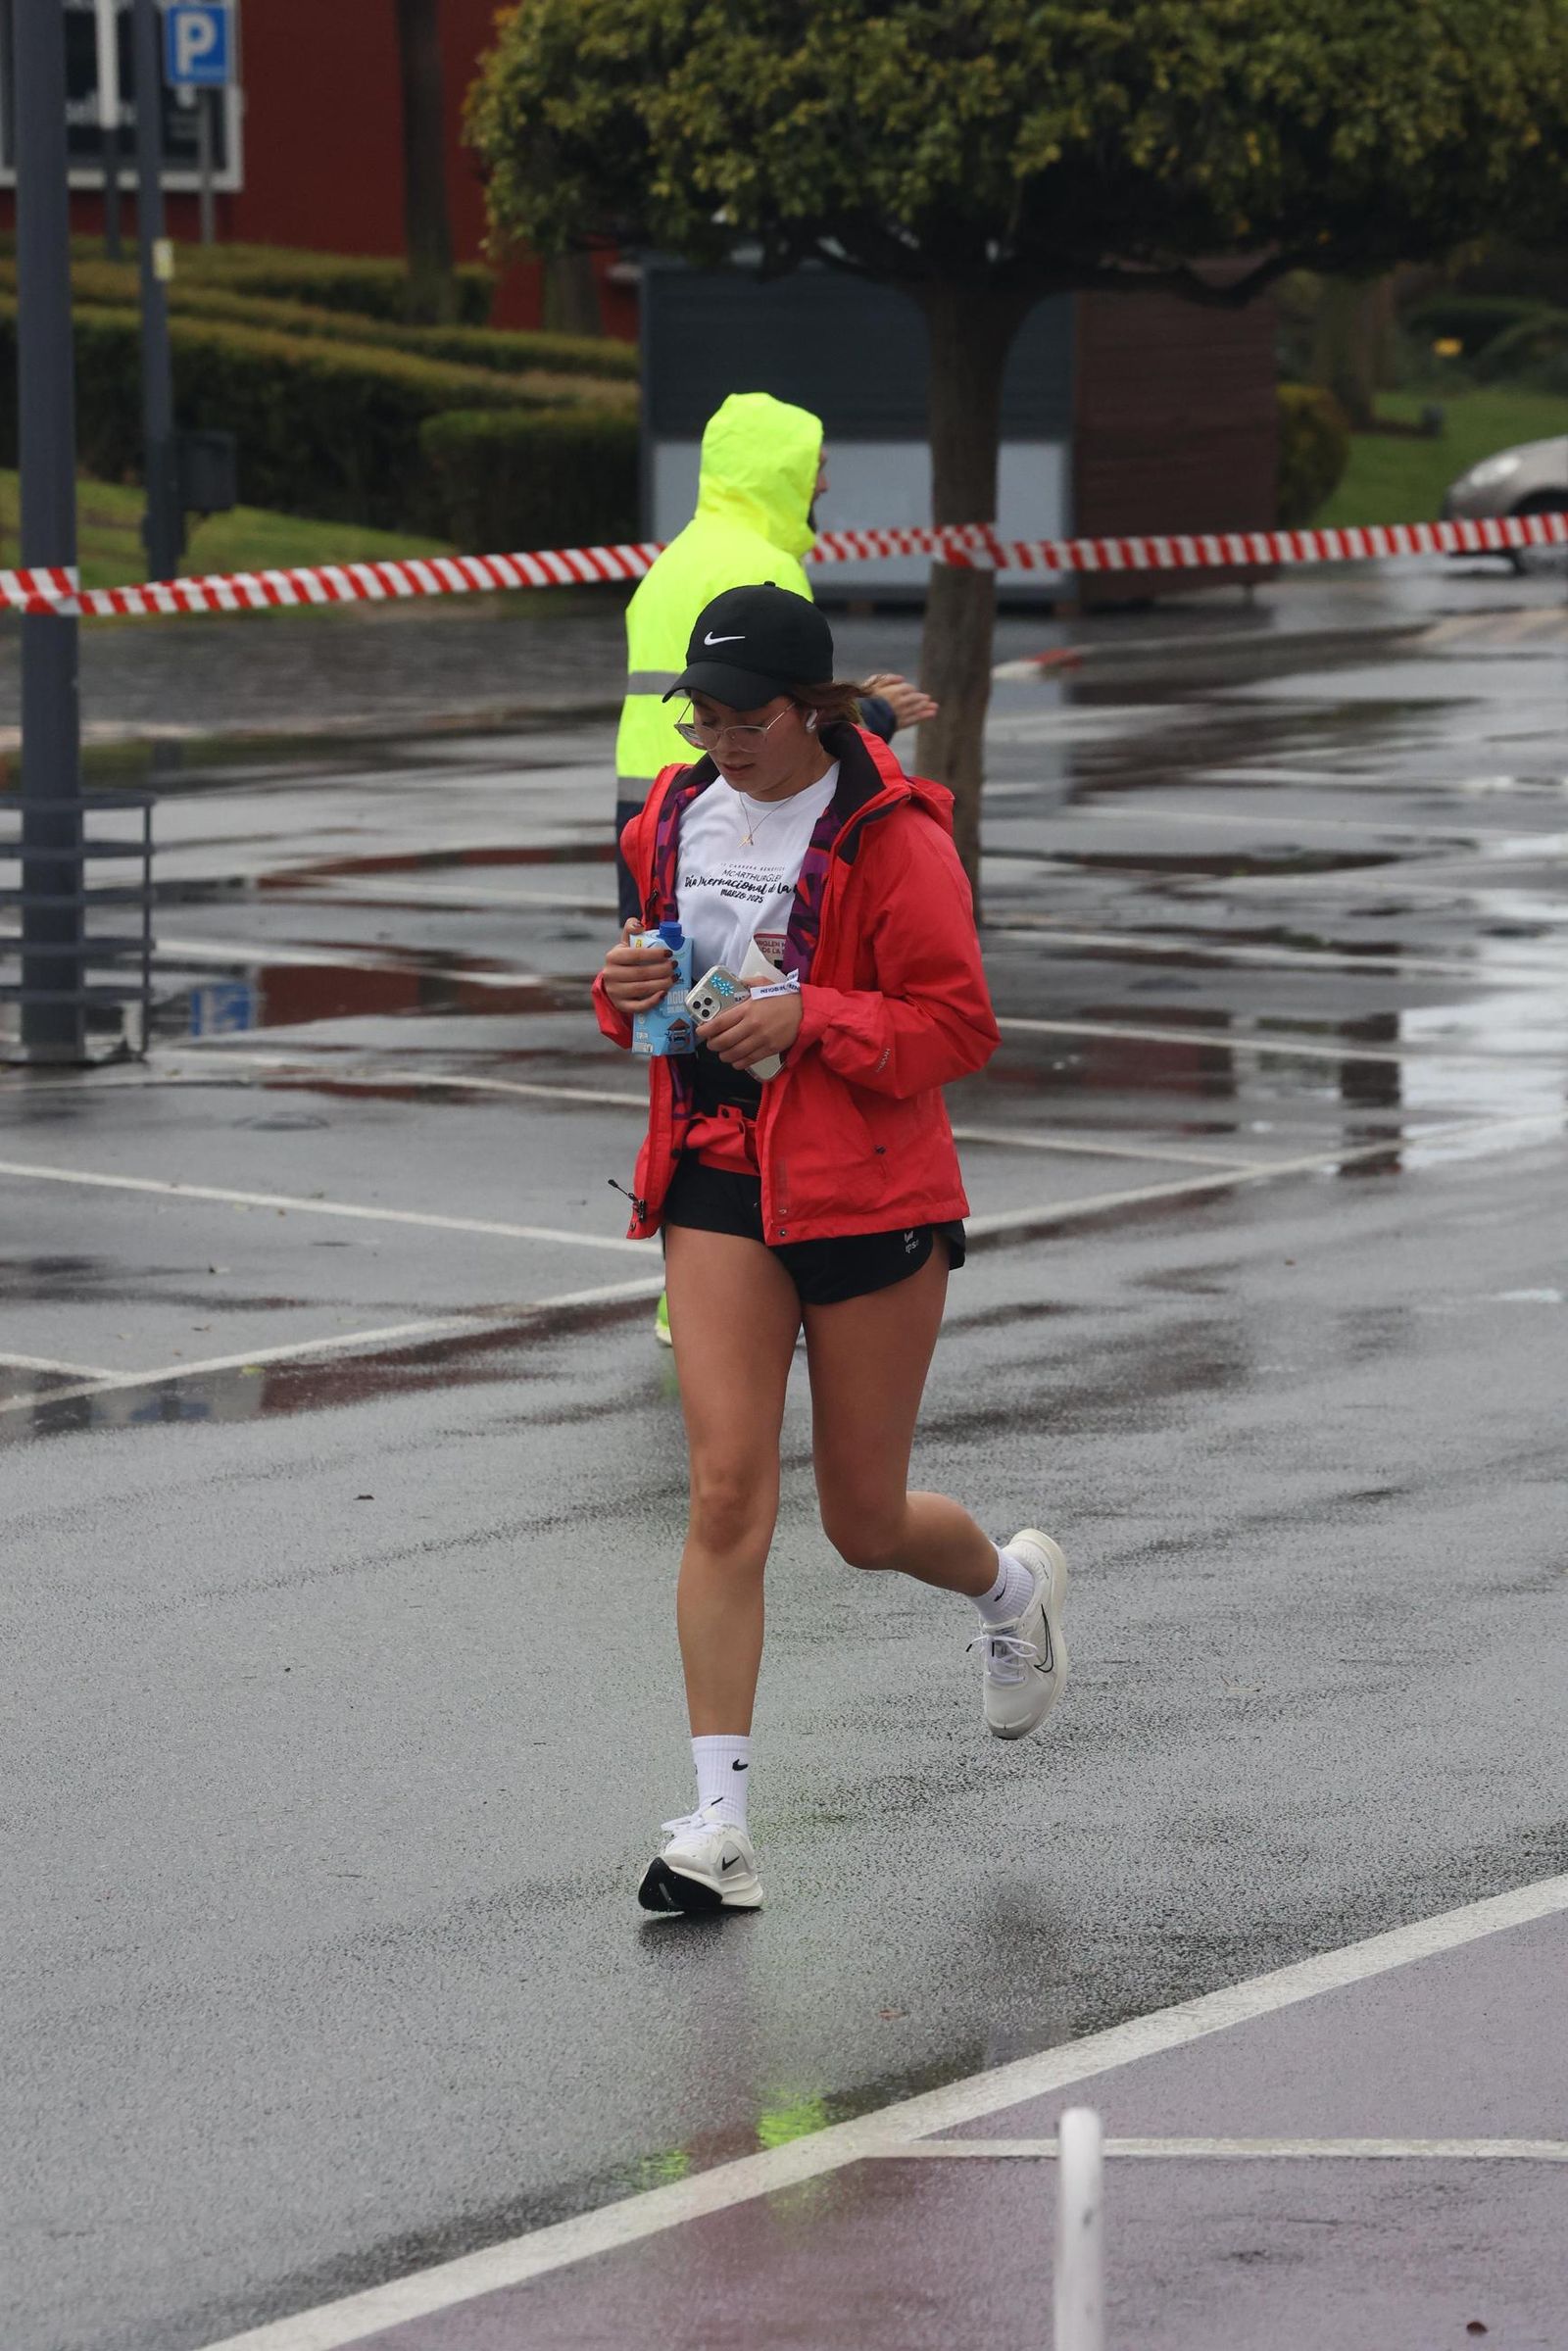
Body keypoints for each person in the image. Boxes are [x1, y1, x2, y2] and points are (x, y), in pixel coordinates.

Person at [593, 584, 1069, 1916]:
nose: (721, 743)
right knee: (724, 1493)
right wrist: (622, 991)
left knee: (864, 1519)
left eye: (746, 720)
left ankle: (1012, 1588)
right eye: (703, 717)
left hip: (868, 1195)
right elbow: (650, 987)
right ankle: (719, 1826)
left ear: (812, 709)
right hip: (716, 1178)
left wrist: (813, 1017)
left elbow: (958, 1026)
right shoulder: (670, 815)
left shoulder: (895, 835)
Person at [616, 392, 936, 1344]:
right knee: (759, 1031)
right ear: (779, 469)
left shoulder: (674, 556)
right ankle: (733, 1259)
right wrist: (873, 720)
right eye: (815, 464)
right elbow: (787, 712)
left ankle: (703, 1264)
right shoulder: (764, 568)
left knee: (682, 1028)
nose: (825, 483)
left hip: (660, 816)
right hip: (743, 813)